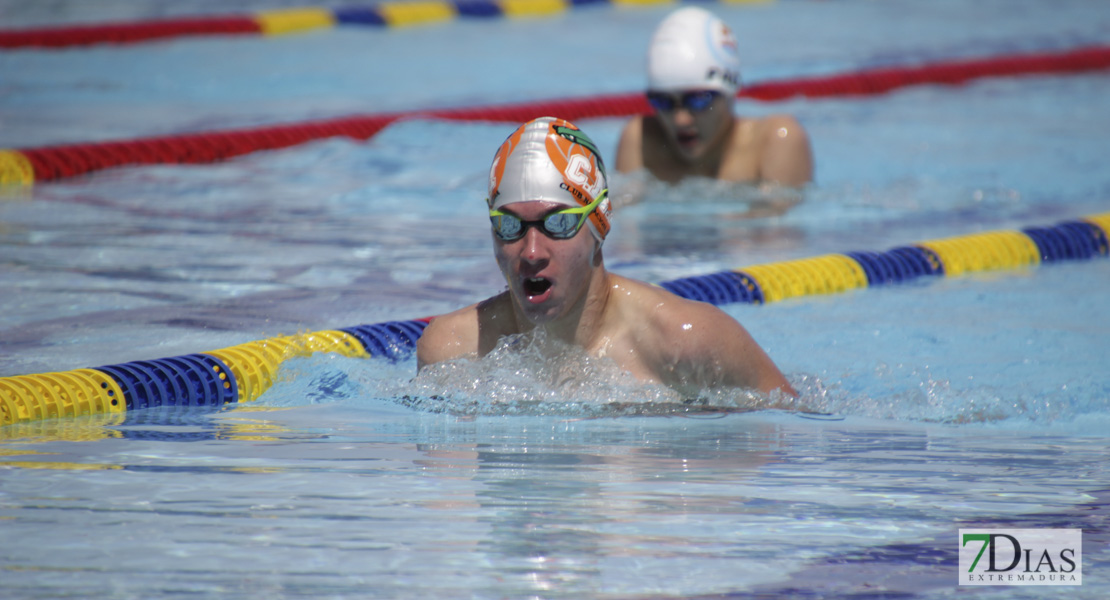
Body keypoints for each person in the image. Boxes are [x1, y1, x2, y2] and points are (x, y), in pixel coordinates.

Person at [417, 116, 796, 398]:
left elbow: (789, 443)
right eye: (509, 226)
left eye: (559, 223)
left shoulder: (686, 343)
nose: (531, 251)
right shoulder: (451, 352)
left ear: (599, 225)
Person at [615, 6, 813, 186]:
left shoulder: (774, 142)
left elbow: (783, 224)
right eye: (663, 102)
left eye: (697, 100)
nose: (680, 119)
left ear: (730, 91)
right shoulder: (640, 141)